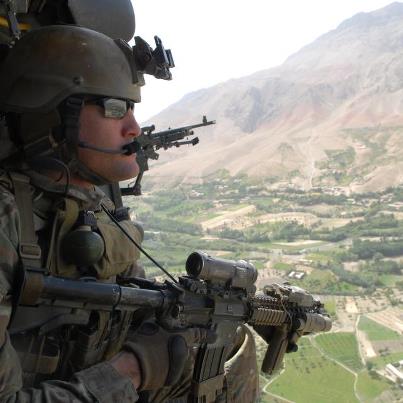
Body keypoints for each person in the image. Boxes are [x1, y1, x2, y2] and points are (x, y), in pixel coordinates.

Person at [0, 24, 259, 403]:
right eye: (114, 108)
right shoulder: (8, 215)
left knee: (225, 343)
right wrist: (132, 371)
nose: (134, 128)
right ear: (52, 117)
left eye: (133, 109)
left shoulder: (90, 203)